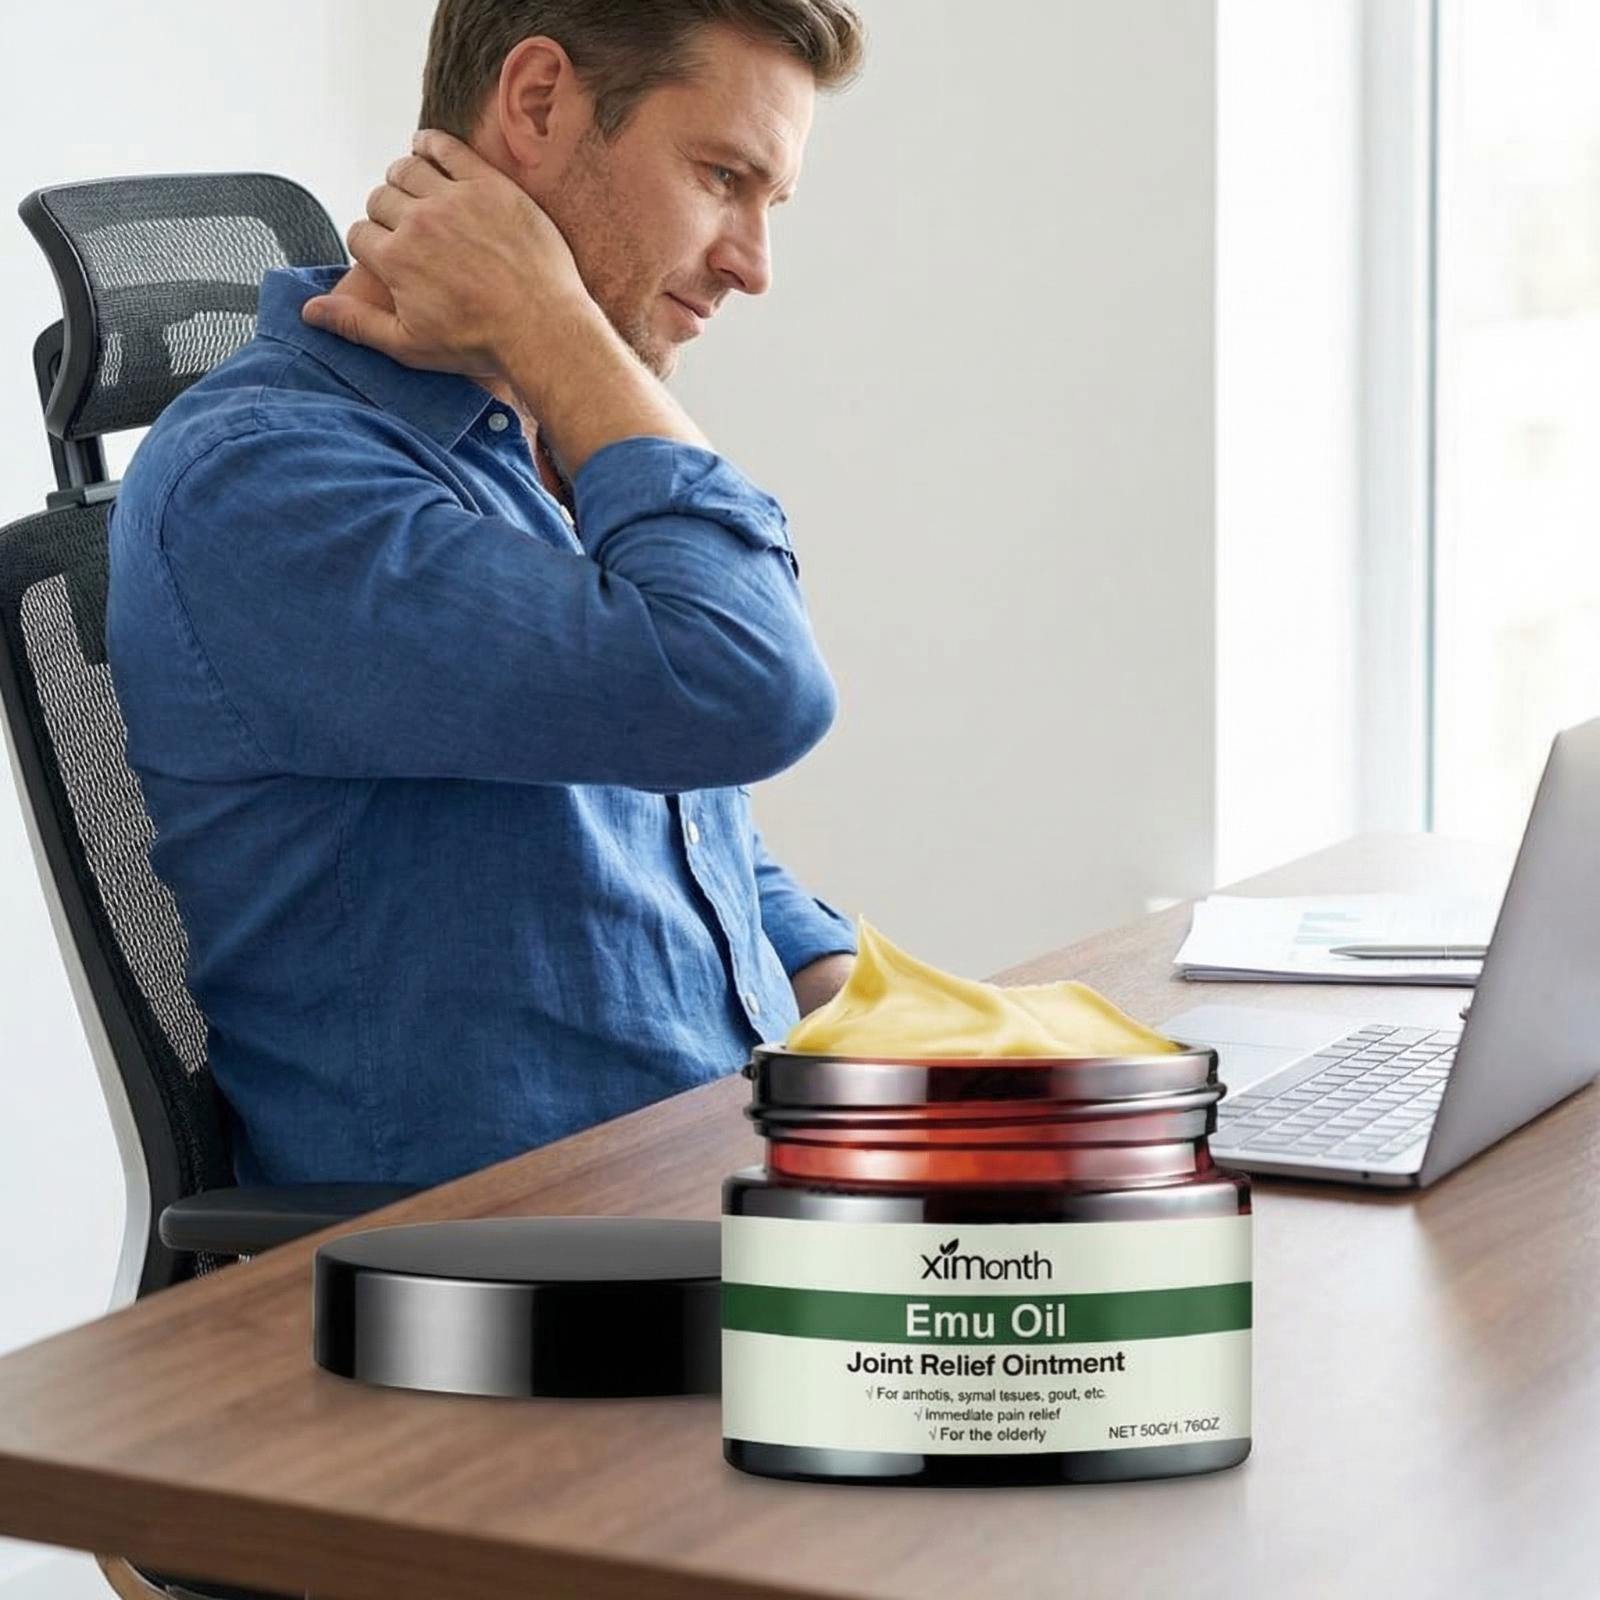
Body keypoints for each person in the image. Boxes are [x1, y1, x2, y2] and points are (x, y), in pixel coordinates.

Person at [105, 0, 868, 1188]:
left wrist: (887, 1017)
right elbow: (746, 689)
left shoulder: (532, 448)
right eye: (722, 177)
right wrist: (557, 325)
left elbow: (670, 818)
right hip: (528, 1250)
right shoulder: (266, 480)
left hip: (728, 1165)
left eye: (772, 202)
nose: (751, 264)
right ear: (538, 103)